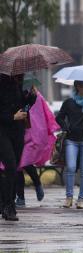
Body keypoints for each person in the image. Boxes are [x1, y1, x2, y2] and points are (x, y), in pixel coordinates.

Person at [56, 81, 83, 209]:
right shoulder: (69, 102)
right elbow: (59, 117)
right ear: (78, 87)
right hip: (71, 140)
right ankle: (69, 197)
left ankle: (81, 199)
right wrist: (66, 127)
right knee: (71, 167)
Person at [0, 74, 36, 220]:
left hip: (17, 132)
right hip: (2, 132)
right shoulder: (2, 83)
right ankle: (8, 205)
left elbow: (24, 108)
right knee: (10, 165)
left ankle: (6, 203)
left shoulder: (18, 84)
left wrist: (31, 98)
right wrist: (12, 117)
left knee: (13, 169)